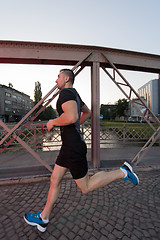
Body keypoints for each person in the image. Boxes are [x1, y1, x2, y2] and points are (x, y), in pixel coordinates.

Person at [24, 69, 139, 232]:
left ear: (66, 78)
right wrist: (74, 126)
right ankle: (43, 218)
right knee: (54, 180)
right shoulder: (75, 94)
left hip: (72, 147)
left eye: (58, 77)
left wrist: (53, 122)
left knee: (86, 186)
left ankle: (123, 172)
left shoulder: (65, 93)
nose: (56, 80)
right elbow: (87, 113)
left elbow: (71, 117)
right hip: (69, 146)